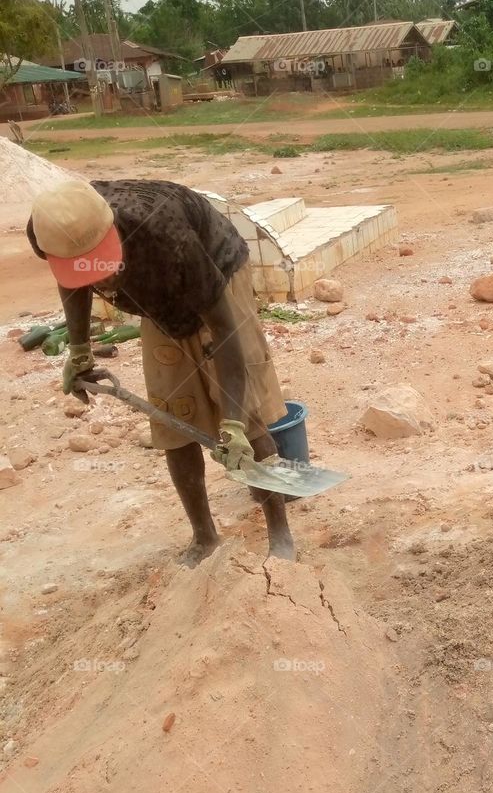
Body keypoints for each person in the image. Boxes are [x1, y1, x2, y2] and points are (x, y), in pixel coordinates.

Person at [27, 177, 295, 565]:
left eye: (103, 264)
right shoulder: (50, 228)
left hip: (215, 274)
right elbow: (70, 279)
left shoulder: (166, 234)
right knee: (173, 417)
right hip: (156, 299)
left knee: (246, 414)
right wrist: (80, 348)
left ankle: (279, 530)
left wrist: (233, 423)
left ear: (114, 230)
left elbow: (224, 330)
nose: (99, 278)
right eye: (87, 270)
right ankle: (204, 537)